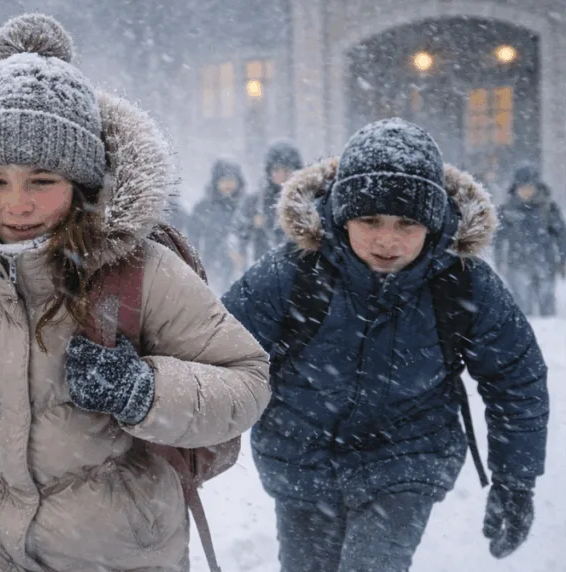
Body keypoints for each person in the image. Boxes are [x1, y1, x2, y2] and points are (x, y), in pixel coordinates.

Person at [0, 14, 271, 572]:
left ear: (82, 182)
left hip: (112, 548)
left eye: (42, 181)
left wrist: (141, 391)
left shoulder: (140, 269)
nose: (16, 204)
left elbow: (246, 381)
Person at [224, 118, 549, 572]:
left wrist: (516, 481)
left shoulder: (461, 284)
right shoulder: (294, 274)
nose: (387, 240)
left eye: (407, 223)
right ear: (341, 215)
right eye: (370, 220)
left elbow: (516, 378)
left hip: (406, 457)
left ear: (433, 225)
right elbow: (217, 351)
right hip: (302, 457)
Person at [494, 161, 566, 316]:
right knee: (522, 311)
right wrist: (500, 260)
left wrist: (563, 260)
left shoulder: (548, 208)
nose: (526, 191)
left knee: (547, 310)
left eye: (530, 186)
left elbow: (561, 236)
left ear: (537, 186)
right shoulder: (507, 210)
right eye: (522, 186)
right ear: (516, 187)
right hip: (517, 264)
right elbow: (498, 238)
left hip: (545, 264)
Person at [189, 157, 249, 294]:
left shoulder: (245, 207)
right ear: (216, 182)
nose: (227, 184)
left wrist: (242, 256)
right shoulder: (203, 208)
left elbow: (249, 237)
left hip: (237, 268)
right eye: (223, 180)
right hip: (209, 266)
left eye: (231, 180)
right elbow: (192, 239)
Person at [242, 140, 303, 263]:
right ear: (269, 171)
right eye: (276, 170)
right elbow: (238, 231)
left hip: (297, 265)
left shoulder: (304, 198)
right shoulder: (256, 200)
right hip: (264, 265)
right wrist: (252, 224)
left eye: (286, 170)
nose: (281, 175)